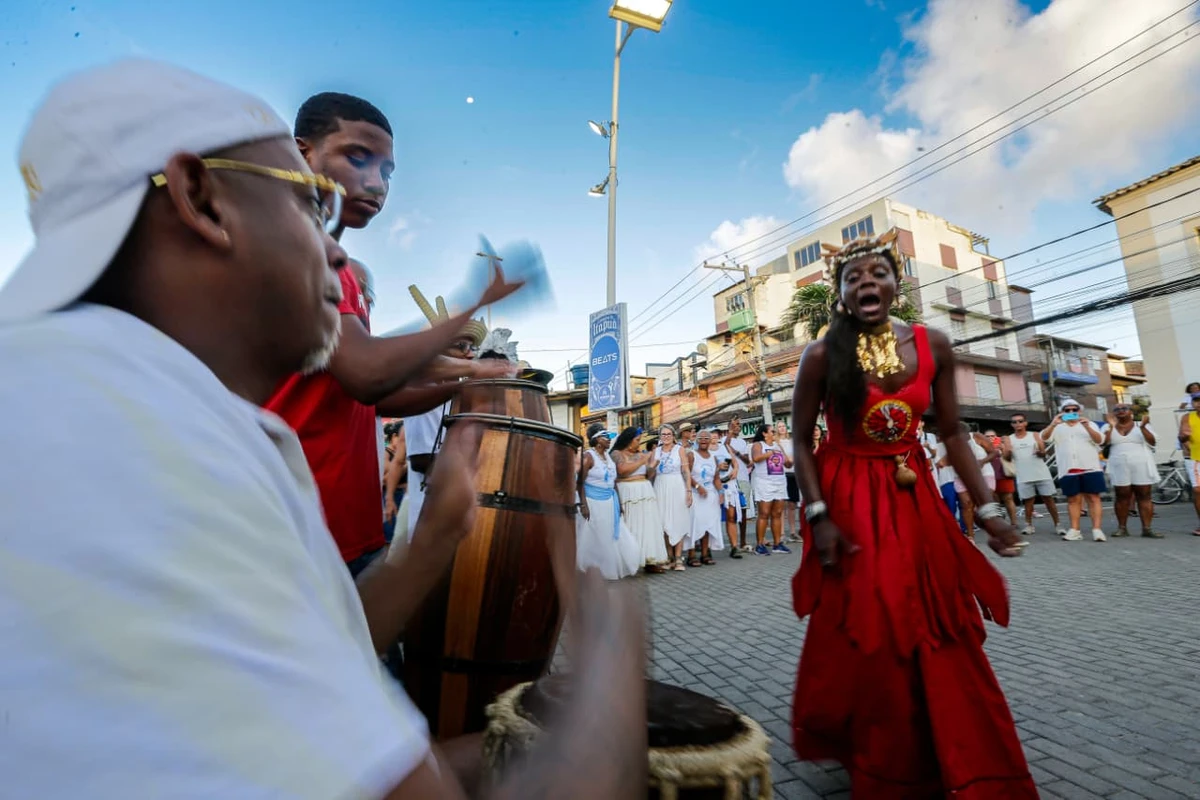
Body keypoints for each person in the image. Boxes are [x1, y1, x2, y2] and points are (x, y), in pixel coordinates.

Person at [0, 58, 648, 800]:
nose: (338, 247)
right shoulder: (131, 436)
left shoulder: (127, 394)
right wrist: (614, 671)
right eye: (312, 206)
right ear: (200, 199)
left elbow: (310, 668)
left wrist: (426, 546)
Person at [788, 231, 1033, 797]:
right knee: (874, 614)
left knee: (935, 610)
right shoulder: (822, 354)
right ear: (842, 294)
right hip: (848, 494)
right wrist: (819, 514)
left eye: (877, 273)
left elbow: (950, 430)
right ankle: (875, 753)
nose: (866, 282)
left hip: (912, 490)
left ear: (897, 284)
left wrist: (990, 508)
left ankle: (950, 748)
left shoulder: (934, 344)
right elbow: (801, 441)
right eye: (853, 277)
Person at [265, 91, 518, 576]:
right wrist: (469, 312)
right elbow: (366, 371)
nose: (376, 183)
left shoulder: (337, 268)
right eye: (357, 158)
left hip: (344, 526)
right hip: (294, 528)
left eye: (387, 171)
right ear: (303, 154)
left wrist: (470, 379)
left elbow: (375, 397)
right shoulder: (291, 250)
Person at [576, 424, 642, 580]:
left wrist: (618, 502)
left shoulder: (608, 457)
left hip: (609, 501)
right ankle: (591, 570)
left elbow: (613, 482)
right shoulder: (588, 457)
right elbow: (580, 484)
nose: (609, 441)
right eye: (606, 437)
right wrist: (584, 505)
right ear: (597, 439)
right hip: (593, 502)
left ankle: (608, 568)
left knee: (611, 535)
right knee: (595, 536)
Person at [1043, 398, 1106, 542]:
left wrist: (1087, 427)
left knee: (1093, 498)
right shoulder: (1058, 427)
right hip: (1068, 468)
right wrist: (1053, 423)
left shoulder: (1090, 424)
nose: (1071, 412)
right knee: (1073, 499)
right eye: (1067, 410)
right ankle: (1075, 530)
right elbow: (1044, 438)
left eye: (1074, 410)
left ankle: (1097, 530)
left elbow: (1100, 440)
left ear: (1079, 411)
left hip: (1090, 467)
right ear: (1062, 412)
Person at [613, 426, 668, 574]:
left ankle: (650, 560)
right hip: (627, 491)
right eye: (637, 440)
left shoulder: (640, 454)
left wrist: (652, 465)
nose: (639, 443)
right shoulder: (617, 454)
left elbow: (648, 475)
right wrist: (643, 459)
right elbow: (622, 470)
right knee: (631, 526)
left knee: (648, 526)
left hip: (644, 490)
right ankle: (630, 561)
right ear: (629, 441)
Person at [1003, 413, 1064, 536]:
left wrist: (1040, 452)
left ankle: (1058, 525)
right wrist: (1008, 450)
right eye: (1014, 422)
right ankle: (1029, 525)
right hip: (1023, 475)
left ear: (1025, 423)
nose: (1018, 424)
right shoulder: (1009, 438)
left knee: (1049, 500)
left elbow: (1043, 454)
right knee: (1028, 502)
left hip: (1041, 473)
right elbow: (1007, 458)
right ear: (1011, 425)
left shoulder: (1034, 435)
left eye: (1020, 421)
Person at [1104, 403, 1160, 538]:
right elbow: (1104, 443)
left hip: (1141, 463)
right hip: (1119, 465)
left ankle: (1147, 528)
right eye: (1116, 409)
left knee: (1144, 495)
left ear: (1130, 412)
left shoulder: (1140, 425)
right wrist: (1111, 427)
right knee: (1122, 495)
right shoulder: (1108, 427)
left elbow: (1152, 441)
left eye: (1124, 409)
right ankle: (1122, 528)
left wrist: (1143, 427)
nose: (1120, 411)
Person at [653, 424, 692, 570]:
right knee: (663, 522)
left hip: (676, 485)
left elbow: (686, 471)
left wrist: (688, 491)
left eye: (669, 434)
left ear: (673, 435)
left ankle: (678, 558)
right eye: (663, 434)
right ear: (660, 437)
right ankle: (669, 556)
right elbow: (651, 470)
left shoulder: (679, 450)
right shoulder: (656, 451)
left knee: (678, 520)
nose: (666, 437)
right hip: (660, 486)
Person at [750, 423, 792, 555]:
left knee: (777, 514)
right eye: (772, 431)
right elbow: (756, 459)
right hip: (764, 483)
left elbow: (787, 463)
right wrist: (769, 454)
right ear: (764, 433)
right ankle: (760, 544)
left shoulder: (777, 446)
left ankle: (777, 543)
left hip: (779, 482)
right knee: (764, 514)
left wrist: (791, 460)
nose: (774, 433)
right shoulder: (758, 445)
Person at [685, 430, 724, 566]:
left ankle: (705, 554)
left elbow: (716, 478)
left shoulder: (713, 457)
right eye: (700, 438)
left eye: (706, 438)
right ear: (697, 440)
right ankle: (691, 555)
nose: (703, 440)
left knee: (708, 525)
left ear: (710, 440)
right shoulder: (691, 455)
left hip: (710, 496)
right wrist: (697, 487)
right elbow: (686, 474)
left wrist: (721, 492)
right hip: (696, 496)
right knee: (694, 525)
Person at [1178, 392, 1200, 536]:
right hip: (1195, 459)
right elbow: (1181, 437)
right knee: (1198, 491)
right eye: (1196, 401)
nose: (1198, 403)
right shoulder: (1187, 417)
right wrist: (1184, 438)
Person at [776, 420, 801, 542]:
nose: (781, 428)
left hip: (793, 473)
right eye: (779, 427)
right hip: (781, 474)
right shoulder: (776, 443)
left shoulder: (791, 442)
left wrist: (792, 460)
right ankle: (781, 533)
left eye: (783, 426)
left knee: (792, 504)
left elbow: (797, 455)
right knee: (782, 505)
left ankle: (792, 531)